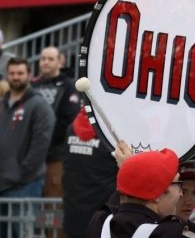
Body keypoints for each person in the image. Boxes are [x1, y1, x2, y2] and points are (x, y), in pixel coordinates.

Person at [0, 57, 55, 237]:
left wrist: (21, 174)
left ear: (29, 75)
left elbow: (40, 145)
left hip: (24, 185)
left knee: (25, 233)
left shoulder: (39, 105)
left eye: (20, 73)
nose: (16, 77)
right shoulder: (2, 104)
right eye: (12, 73)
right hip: (2, 183)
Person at [31, 46, 80, 199]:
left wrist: (43, 140)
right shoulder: (32, 86)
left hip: (55, 156)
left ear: (60, 62)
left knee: (51, 207)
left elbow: (67, 121)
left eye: (50, 59)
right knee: (30, 202)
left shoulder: (69, 86)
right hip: (31, 157)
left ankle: (47, 225)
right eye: (43, 59)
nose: (45, 62)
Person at [62, 108, 118, 238]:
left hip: (73, 212)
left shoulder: (71, 128)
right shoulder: (110, 133)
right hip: (102, 219)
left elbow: (66, 168)